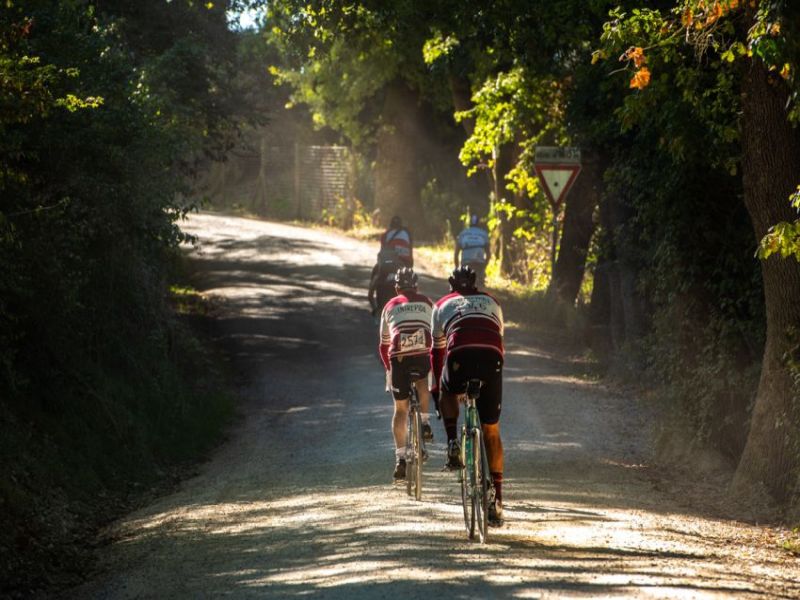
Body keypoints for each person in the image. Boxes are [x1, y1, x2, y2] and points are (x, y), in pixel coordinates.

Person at [430, 266, 505, 526]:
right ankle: (497, 501)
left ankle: (452, 443)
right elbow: (498, 340)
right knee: (491, 430)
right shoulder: (492, 302)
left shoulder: (441, 305)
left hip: (459, 356)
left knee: (446, 389)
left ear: (451, 285)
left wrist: (437, 391)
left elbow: (437, 354)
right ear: (475, 284)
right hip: (491, 359)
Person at [379, 267, 434, 481]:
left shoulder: (389, 306)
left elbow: (384, 345)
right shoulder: (428, 302)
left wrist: (389, 367)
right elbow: (438, 332)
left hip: (398, 356)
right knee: (422, 381)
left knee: (400, 409)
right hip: (421, 354)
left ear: (396, 288)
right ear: (417, 286)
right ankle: (426, 422)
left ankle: (400, 458)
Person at [368, 215, 413, 316]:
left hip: (387, 265)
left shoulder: (386, 234)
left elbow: (382, 252)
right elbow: (411, 253)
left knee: (375, 275)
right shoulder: (407, 234)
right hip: (403, 265)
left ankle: (373, 304)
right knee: (412, 283)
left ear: (391, 225)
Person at [454, 214, 490, 287]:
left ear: (469, 222)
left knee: (463, 284)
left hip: (466, 262)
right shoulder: (483, 234)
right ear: (479, 223)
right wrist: (484, 266)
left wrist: (457, 268)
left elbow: (456, 253)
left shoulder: (463, 233)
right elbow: (488, 254)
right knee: (480, 284)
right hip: (479, 262)